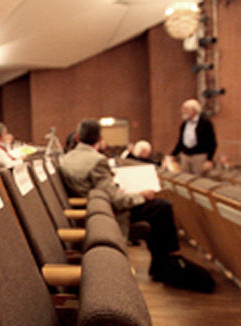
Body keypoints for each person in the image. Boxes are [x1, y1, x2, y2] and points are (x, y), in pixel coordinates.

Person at [59, 118, 214, 292]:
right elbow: (117, 201)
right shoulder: (97, 160)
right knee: (162, 207)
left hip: (94, 208)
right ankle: (165, 262)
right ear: (100, 138)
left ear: (78, 137)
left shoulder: (66, 159)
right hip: (107, 213)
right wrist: (141, 196)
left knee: (157, 208)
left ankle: (162, 263)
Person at [171, 99, 217, 175]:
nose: (183, 111)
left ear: (194, 110)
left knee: (200, 179)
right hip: (185, 156)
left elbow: (212, 142)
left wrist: (209, 159)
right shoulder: (184, 124)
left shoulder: (205, 123)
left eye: (186, 109)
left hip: (199, 156)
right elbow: (181, 141)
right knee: (184, 178)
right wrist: (173, 155)